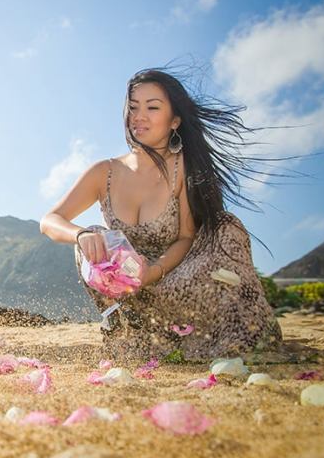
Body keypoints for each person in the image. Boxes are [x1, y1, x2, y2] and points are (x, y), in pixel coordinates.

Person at [40, 68, 282, 361]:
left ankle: (204, 332)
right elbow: (50, 220)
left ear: (175, 120)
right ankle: (128, 325)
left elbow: (185, 238)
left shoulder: (185, 167)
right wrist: (82, 235)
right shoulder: (104, 171)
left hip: (178, 279)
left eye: (152, 107)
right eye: (133, 107)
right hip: (129, 290)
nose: (139, 116)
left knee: (225, 228)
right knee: (94, 233)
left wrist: (150, 274)